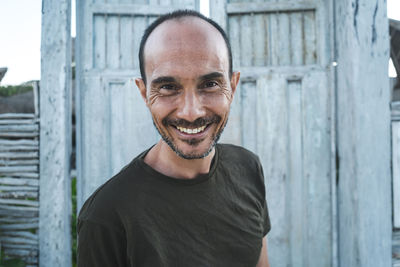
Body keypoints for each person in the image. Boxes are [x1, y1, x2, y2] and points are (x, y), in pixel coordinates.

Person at [77, 9, 271, 267]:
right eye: (168, 87)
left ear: (232, 86)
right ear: (144, 93)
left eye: (210, 84)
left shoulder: (248, 168)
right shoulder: (106, 216)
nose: (191, 112)